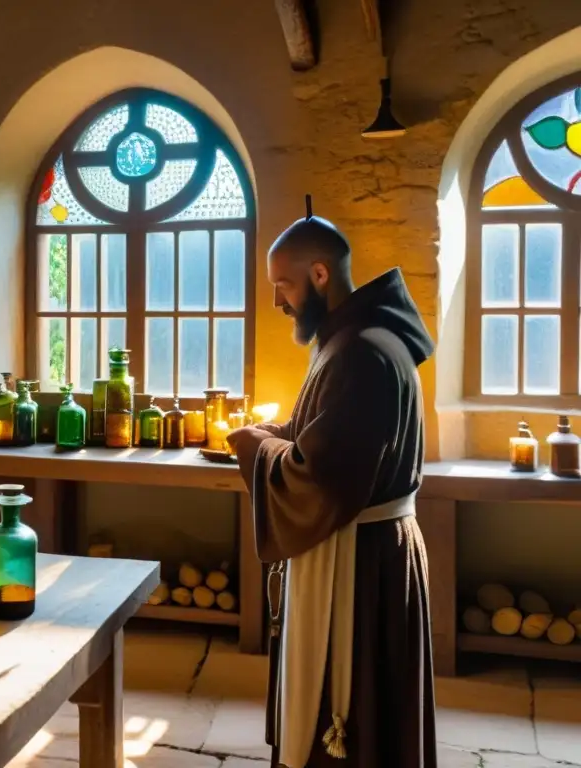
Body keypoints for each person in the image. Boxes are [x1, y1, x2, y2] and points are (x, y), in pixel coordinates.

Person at [227, 200, 438, 768]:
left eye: (284, 285)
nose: (276, 301)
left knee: (348, 710)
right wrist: (269, 432)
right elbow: (317, 431)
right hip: (367, 551)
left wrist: (253, 447)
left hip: (358, 562)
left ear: (320, 274)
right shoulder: (349, 338)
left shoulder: (361, 352)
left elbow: (317, 476)